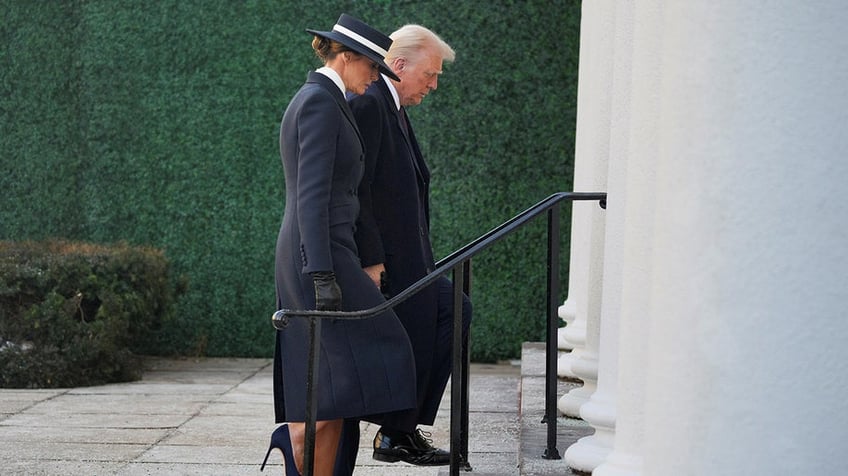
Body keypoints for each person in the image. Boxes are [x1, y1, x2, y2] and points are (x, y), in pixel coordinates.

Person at [263, 14, 417, 476]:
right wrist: (321, 272)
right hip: (318, 256)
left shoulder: (331, 100)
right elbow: (310, 195)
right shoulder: (318, 103)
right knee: (367, 355)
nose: (375, 77)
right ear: (346, 57)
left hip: (327, 251)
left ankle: (305, 452)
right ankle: (296, 438)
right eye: (372, 67)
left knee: (329, 379)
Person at [348, 24, 473, 467]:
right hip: (387, 263)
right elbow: (356, 189)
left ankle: (399, 431)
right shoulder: (368, 103)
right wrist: (372, 260)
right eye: (431, 74)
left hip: (412, 258)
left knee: (453, 310)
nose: (434, 85)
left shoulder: (393, 105)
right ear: (399, 65)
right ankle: (394, 432)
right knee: (448, 311)